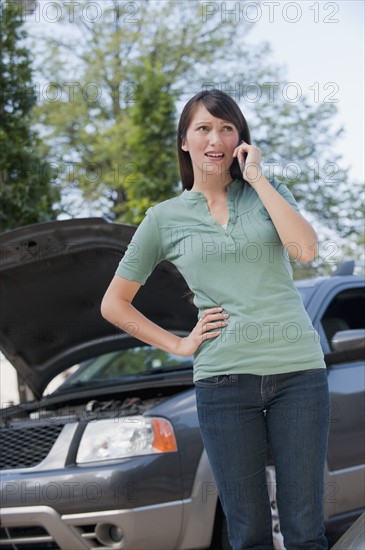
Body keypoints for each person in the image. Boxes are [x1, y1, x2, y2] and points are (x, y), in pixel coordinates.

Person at [101, 89, 330, 550]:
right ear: (184, 141)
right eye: (203, 128)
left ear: (240, 139)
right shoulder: (164, 218)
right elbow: (114, 304)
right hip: (224, 384)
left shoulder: (267, 191)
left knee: (305, 530)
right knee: (247, 534)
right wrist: (180, 345)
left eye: (227, 128)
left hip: (298, 374)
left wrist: (259, 178)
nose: (216, 138)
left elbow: (305, 251)